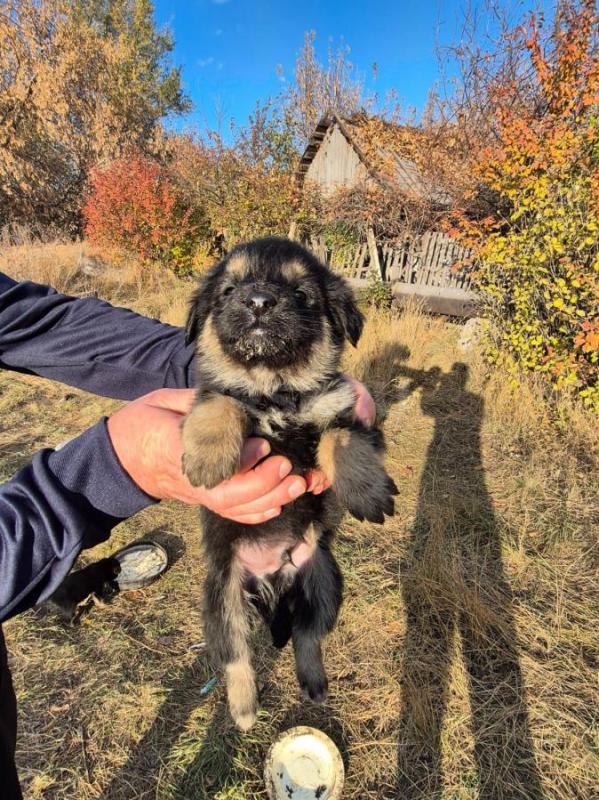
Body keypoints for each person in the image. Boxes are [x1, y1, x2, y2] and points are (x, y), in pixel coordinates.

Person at [0, 270, 374, 797]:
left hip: (301, 534)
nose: (261, 299)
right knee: (228, 612)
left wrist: (229, 370)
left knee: (318, 593)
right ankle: (240, 681)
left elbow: (44, 321)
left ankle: (307, 654)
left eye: (298, 295)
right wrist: (108, 467)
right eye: (233, 294)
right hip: (238, 549)